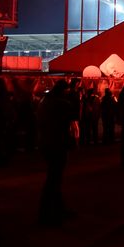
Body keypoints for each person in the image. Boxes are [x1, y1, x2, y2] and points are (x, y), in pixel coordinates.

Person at [37, 80, 75, 225]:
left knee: (54, 178)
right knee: (54, 178)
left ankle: (56, 208)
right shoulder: (61, 104)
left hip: (46, 143)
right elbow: (67, 122)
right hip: (57, 144)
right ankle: (46, 212)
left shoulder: (44, 102)